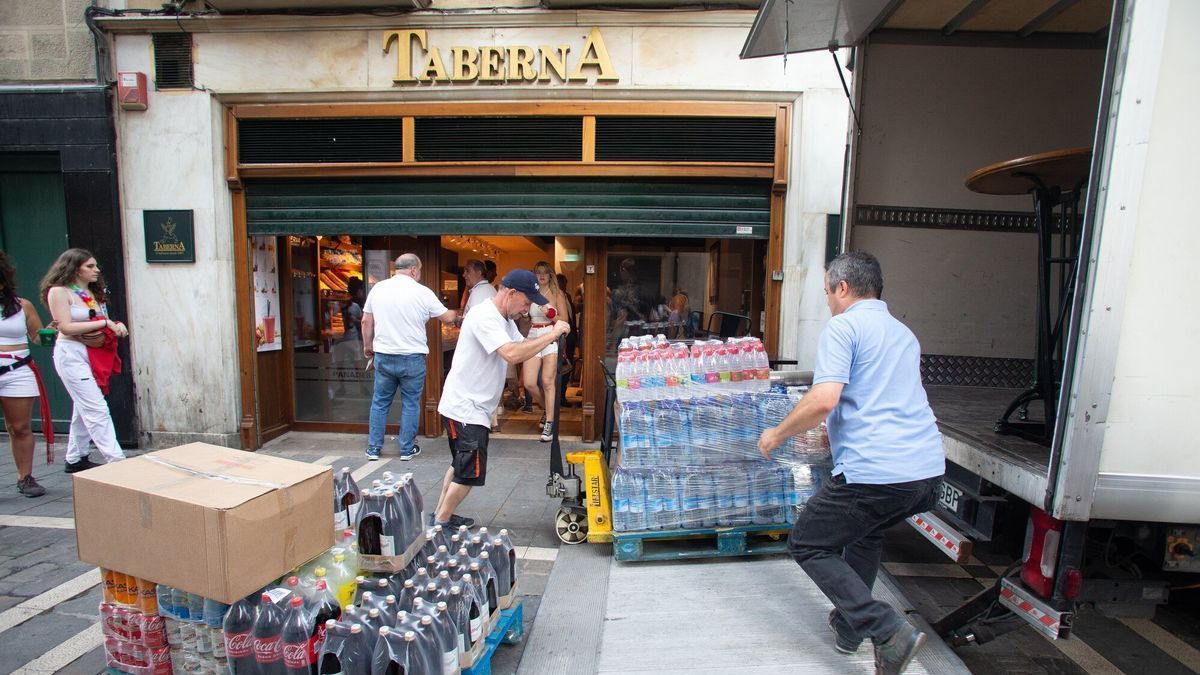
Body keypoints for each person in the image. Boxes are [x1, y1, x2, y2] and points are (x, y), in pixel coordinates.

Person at [757, 251, 943, 675]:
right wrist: (834, 431)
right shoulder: (903, 333)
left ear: (843, 288)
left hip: (877, 473)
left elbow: (825, 398)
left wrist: (777, 433)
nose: (827, 301)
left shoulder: (844, 326)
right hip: (926, 472)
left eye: (826, 291)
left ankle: (888, 630)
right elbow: (880, 396)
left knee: (807, 542)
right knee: (865, 535)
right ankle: (849, 629)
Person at [434, 269, 569, 528]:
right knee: (468, 473)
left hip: (472, 407)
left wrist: (548, 339)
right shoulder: (485, 316)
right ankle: (440, 523)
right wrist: (552, 335)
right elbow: (511, 354)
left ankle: (442, 515)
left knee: (459, 465)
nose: (526, 308)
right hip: (465, 407)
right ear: (511, 293)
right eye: (526, 302)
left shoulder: (505, 319)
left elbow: (523, 347)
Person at [41, 248, 129, 472]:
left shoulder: (92, 293)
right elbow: (65, 326)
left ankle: (75, 458)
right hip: (71, 353)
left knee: (84, 406)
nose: (96, 270)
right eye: (90, 266)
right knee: (96, 407)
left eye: (95, 266)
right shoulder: (59, 292)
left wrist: (114, 325)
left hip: (94, 352)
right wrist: (104, 324)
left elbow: (103, 319)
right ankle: (116, 460)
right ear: (74, 267)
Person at [362, 253, 457, 461]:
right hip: (412, 357)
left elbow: (366, 321)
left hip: (384, 355)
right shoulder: (422, 292)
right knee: (411, 403)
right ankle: (406, 449)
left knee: (379, 402)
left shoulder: (378, 288)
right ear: (414, 269)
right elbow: (447, 318)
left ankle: (373, 448)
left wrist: (368, 346)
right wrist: (459, 314)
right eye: (420, 271)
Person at [1, 251, 50, 497]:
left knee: (19, 427)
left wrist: (50, 333)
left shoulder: (22, 306)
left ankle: (25, 478)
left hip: (17, 370)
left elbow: (37, 337)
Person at [522, 261, 571, 442]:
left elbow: (565, 320)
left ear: (550, 275)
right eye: (538, 272)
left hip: (550, 334)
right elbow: (525, 313)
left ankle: (550, 422)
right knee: (528, 383)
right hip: (533, 334)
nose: (541, 275)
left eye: (545, 272)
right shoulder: (531, 293)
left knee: (547, 381)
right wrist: (525, 313)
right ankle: (547, 409)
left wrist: (550, 314)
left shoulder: (557, 294)